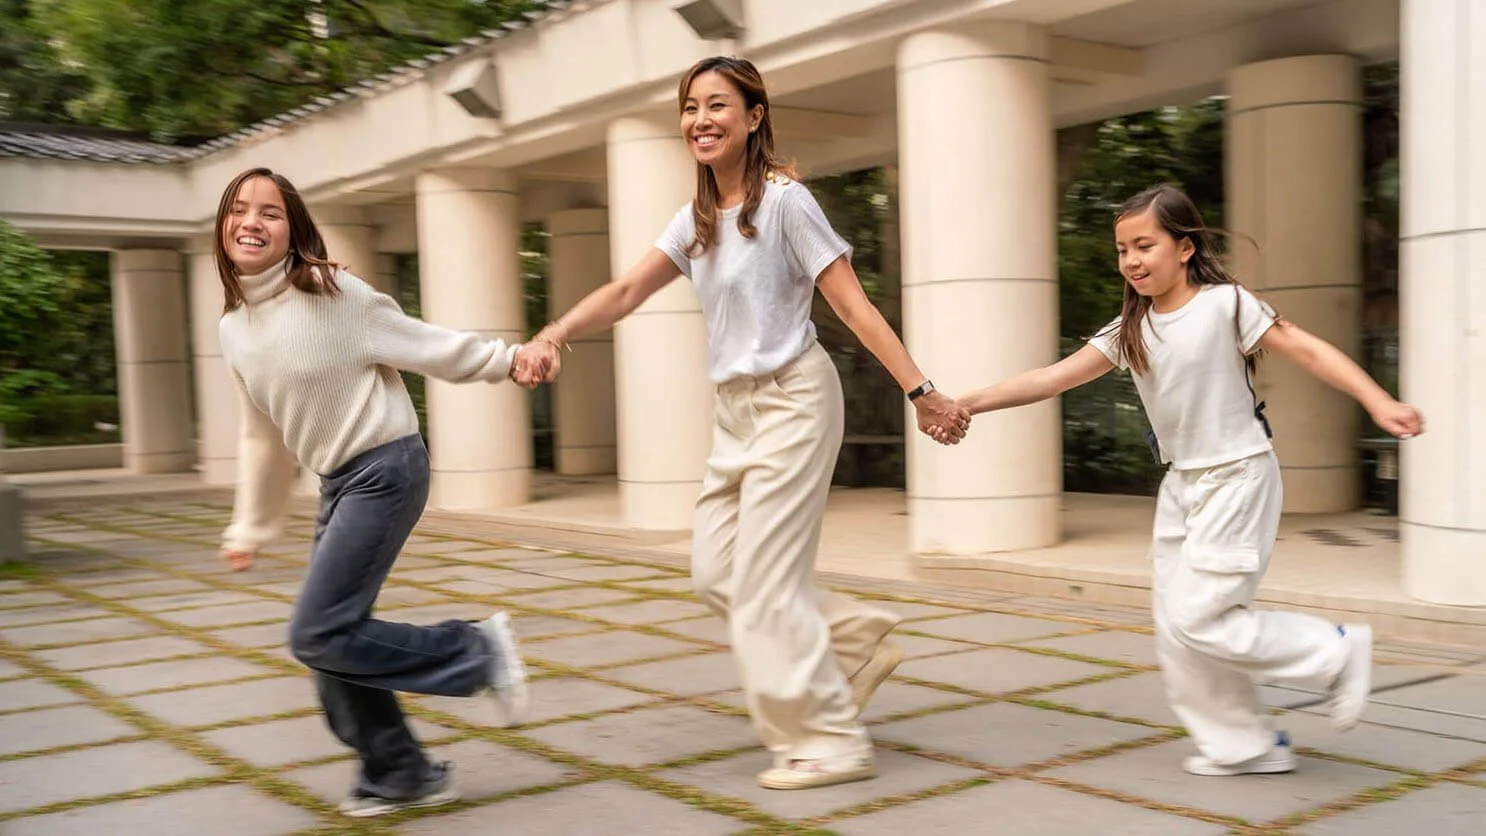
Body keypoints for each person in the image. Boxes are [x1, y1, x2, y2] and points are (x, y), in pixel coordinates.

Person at [515, 56, 969, 790]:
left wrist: (921, 393)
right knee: (715, 570)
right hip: (735, 414)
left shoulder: (787, 202)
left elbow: (851, 305)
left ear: (754, 117)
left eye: (719, 104)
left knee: (762, 582)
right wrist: (554, 332)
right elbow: (628, 288)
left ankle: (830, 738)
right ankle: (848, 642)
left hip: (794, 399)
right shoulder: (695, 219)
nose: (701, 118)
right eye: (691, 106)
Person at [954, 183, 1423, 777]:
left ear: (1183, 246)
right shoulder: (1131, 330)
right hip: (1183, 486)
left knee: (1201, 618)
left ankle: (1332, 650)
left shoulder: (1225, 303)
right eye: (1122, 250)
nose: (1131, 261)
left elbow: (1305, 350)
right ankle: (1242, 745)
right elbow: (1049, 379)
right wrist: (962, 403)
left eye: (1144, 245)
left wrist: (1377, 400)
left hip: (1238, 476)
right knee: (1177, 630)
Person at [213, 167, 531, 816]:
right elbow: (261, 436)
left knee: (318, 632)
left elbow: (428, 346)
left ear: (292, 230)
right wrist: (249, 526)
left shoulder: (334, 296)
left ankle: (476, 651)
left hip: (386, 468)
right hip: (339, 480)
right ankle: (402, 773)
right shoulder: (235, 329)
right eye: (239, 209)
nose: (252, 221)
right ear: (222, 226)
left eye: (270, 212)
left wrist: (507, 360)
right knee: (333, 644)